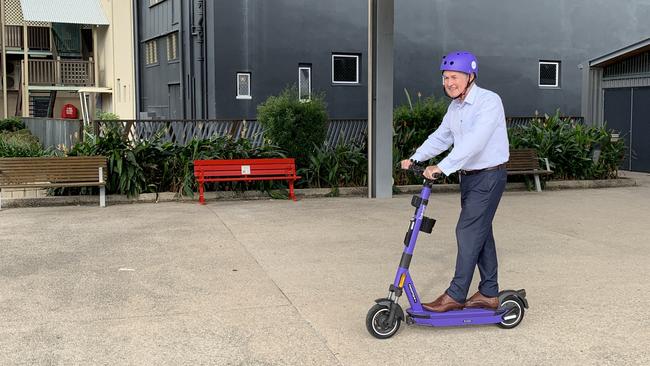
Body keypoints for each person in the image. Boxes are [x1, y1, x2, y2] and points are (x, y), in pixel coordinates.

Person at [400, 51, 509, 312]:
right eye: (445, 77)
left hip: (489, 176)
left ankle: (456, 294)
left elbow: (474, 142)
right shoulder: (455, 107)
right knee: (481, 233)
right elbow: (441, 137)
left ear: (470, 77)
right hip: (470, 178)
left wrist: (442, 166)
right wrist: (415, 158)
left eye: (454, 77)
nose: (449, 82)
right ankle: (489, 292)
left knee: (467, 231)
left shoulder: (488, 102)